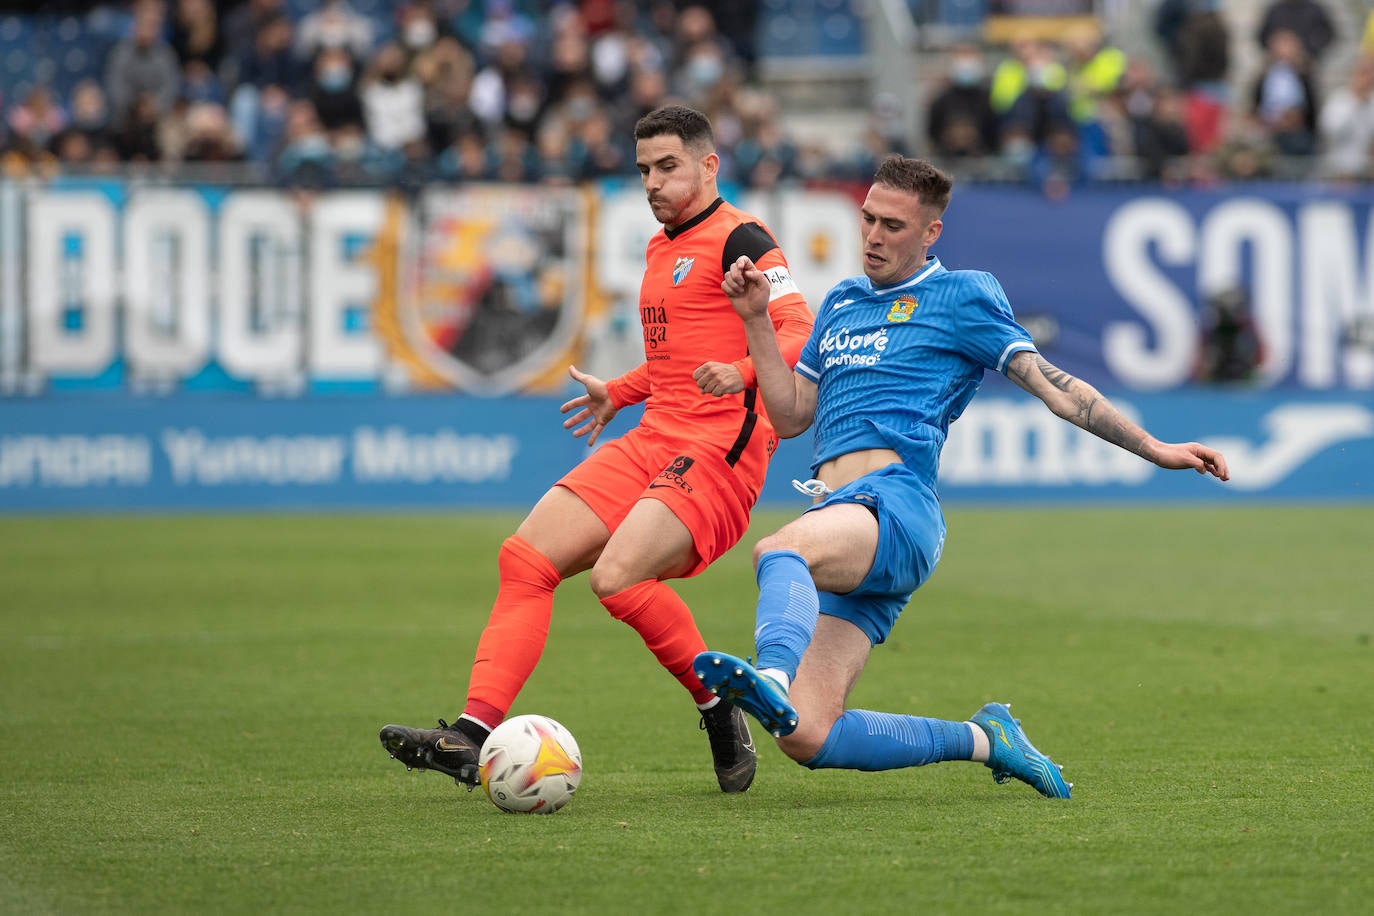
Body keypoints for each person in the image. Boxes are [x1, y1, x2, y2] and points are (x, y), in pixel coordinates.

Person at [694, 155, 1230, 799]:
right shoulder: (839, 304)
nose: (872, 236)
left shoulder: (963, 294)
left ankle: (770, 677)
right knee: (807, 736)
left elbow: (1054, 388)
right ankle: (987, 739)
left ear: (931, 233)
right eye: (867, 219)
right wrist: (755, 320)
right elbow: (790, 415)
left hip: (895, 505)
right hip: (843, 519)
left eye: (893, 225)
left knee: (779, 552)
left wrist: (1155, 447)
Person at [379, 105, 815, 793]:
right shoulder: (662, 247)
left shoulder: (744, 238)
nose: (652, 182)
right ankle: (470, 734)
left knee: (617, 578)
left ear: (709, 166)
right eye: (643, 169)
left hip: (717, 450)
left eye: (668, 166)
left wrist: (745, 372)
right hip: (653, 436)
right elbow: (678, 360)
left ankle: (717, 705)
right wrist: (620, 390)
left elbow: (799, 329)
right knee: (525, 557)